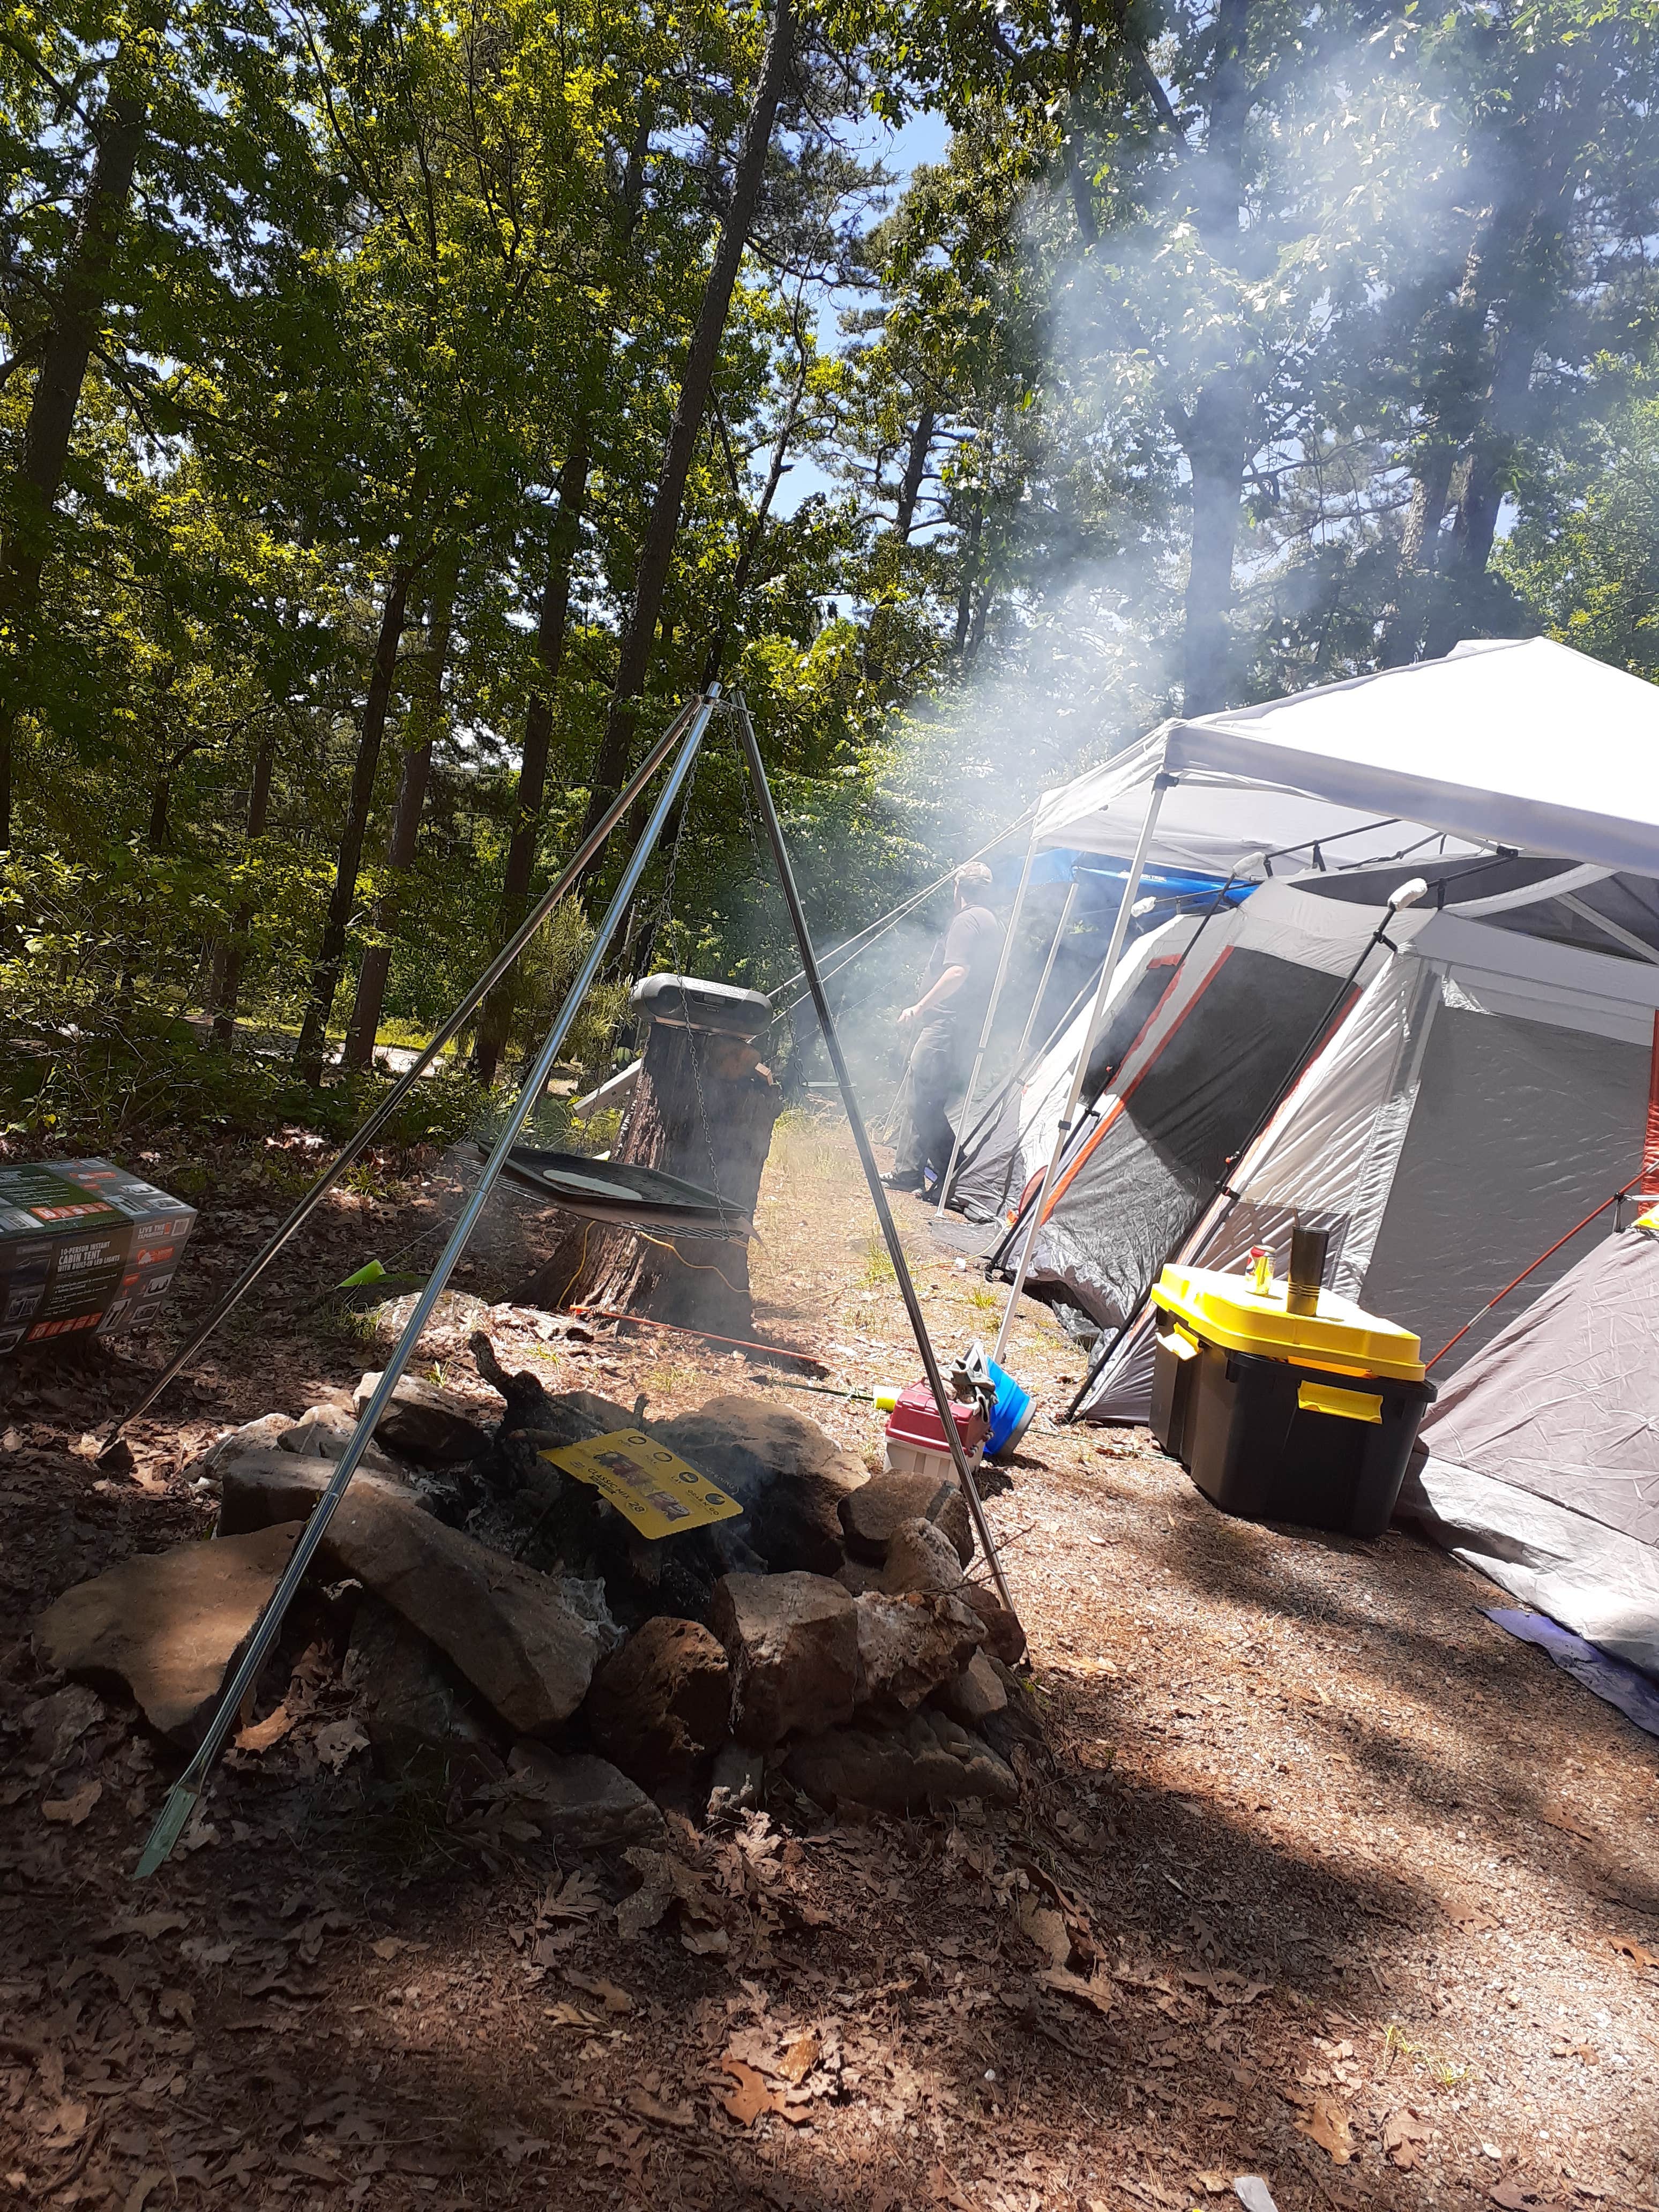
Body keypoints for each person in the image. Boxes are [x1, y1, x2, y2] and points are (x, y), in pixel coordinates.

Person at [885, 861, 1003, 1193]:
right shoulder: (994, 923)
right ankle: (909, 1172)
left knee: (921, 1101)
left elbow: (957, 972)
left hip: (945, 1025)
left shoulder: (967, 920)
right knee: (924, 1097)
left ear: (958, 888)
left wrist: (920, 1007)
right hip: (963, 1027)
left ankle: (956, 1174)